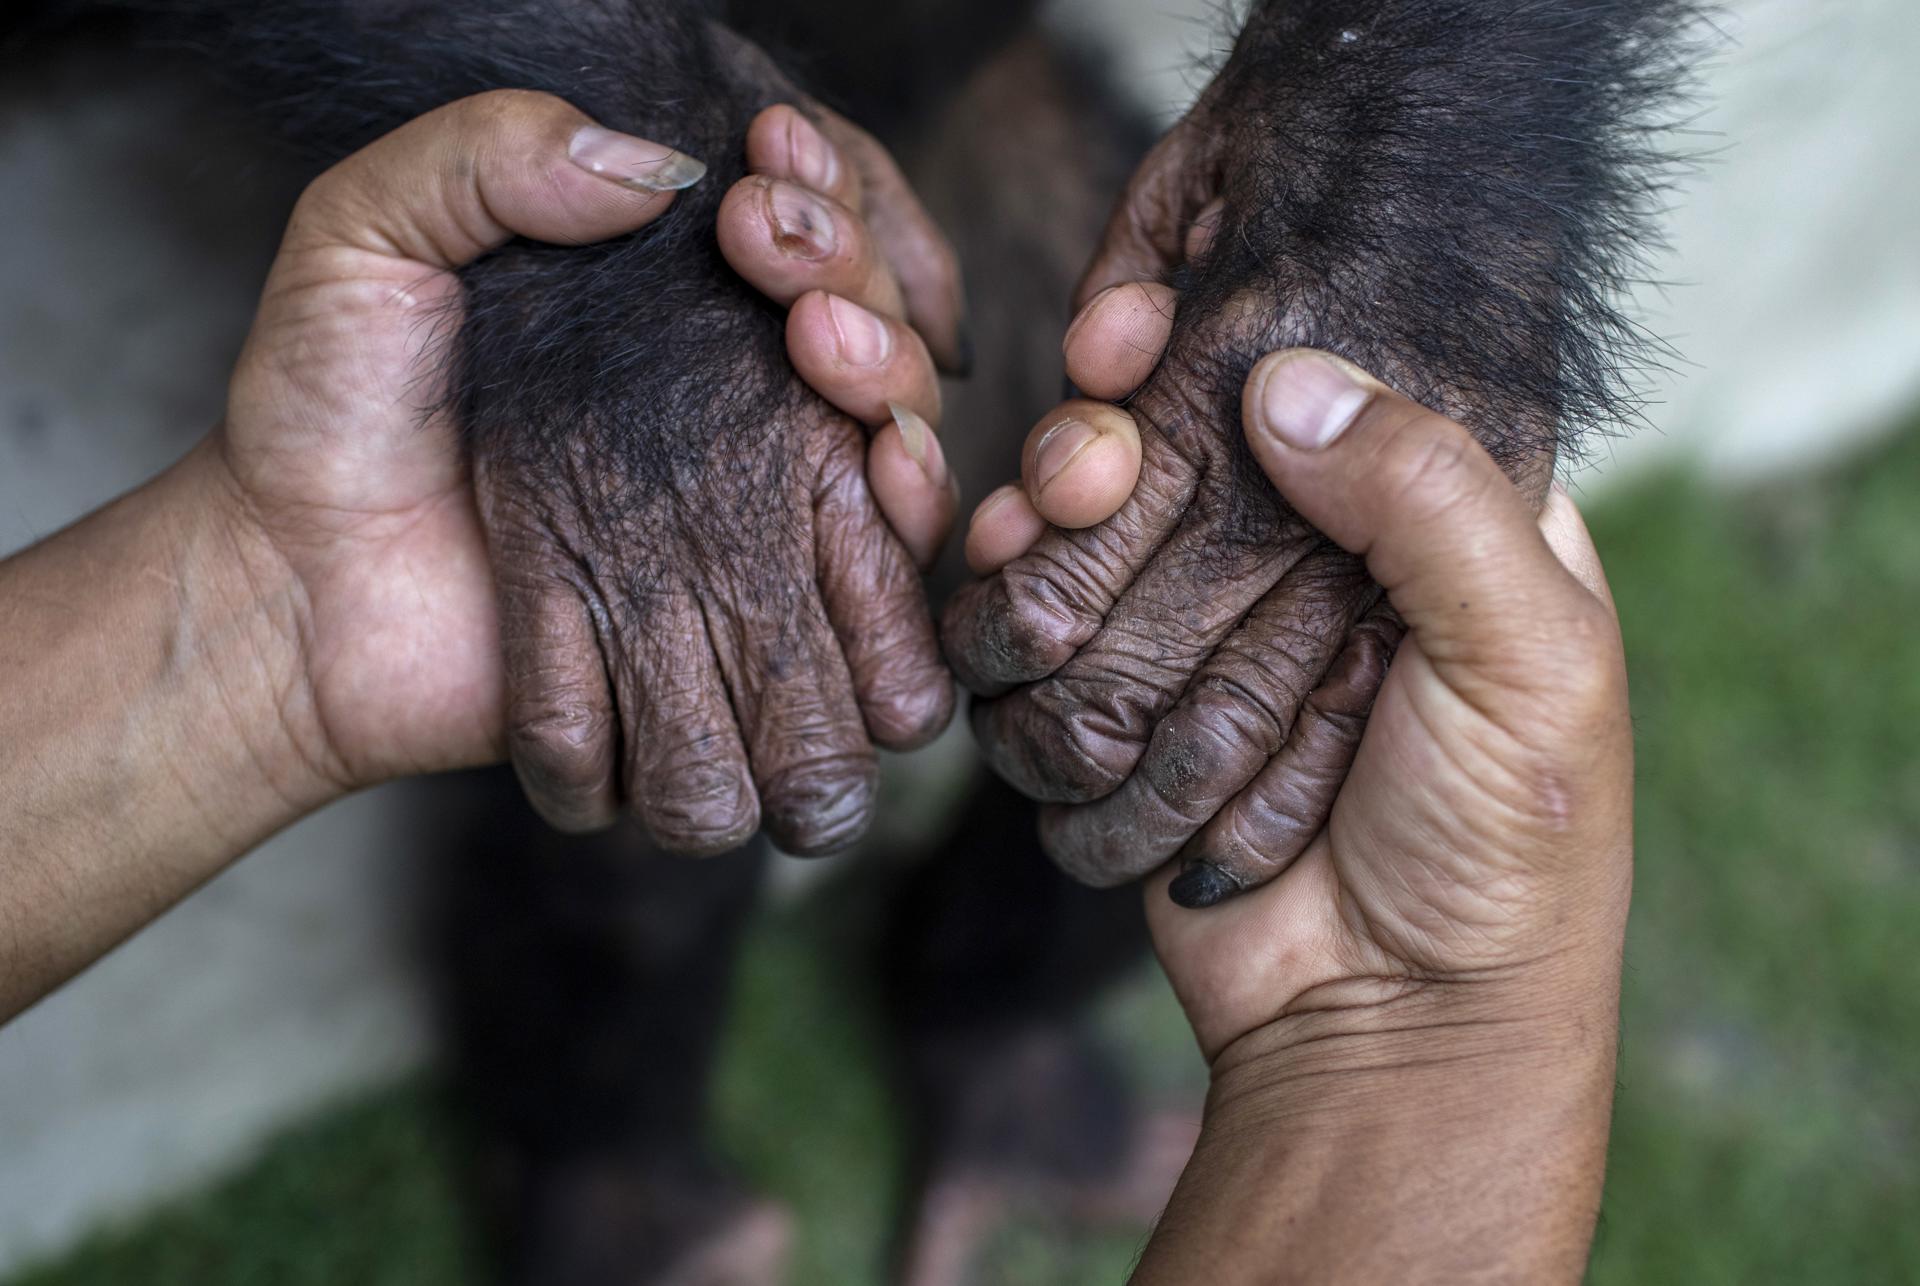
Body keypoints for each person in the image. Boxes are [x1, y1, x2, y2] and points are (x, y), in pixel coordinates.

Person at [0, 93, 1634, 1282]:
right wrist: (1426, 1030)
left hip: (949, 62)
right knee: (679, 569)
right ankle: (601, 1139)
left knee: (1220, 540)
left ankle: (989, 1002)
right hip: (590, 59)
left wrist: (1402, 178)